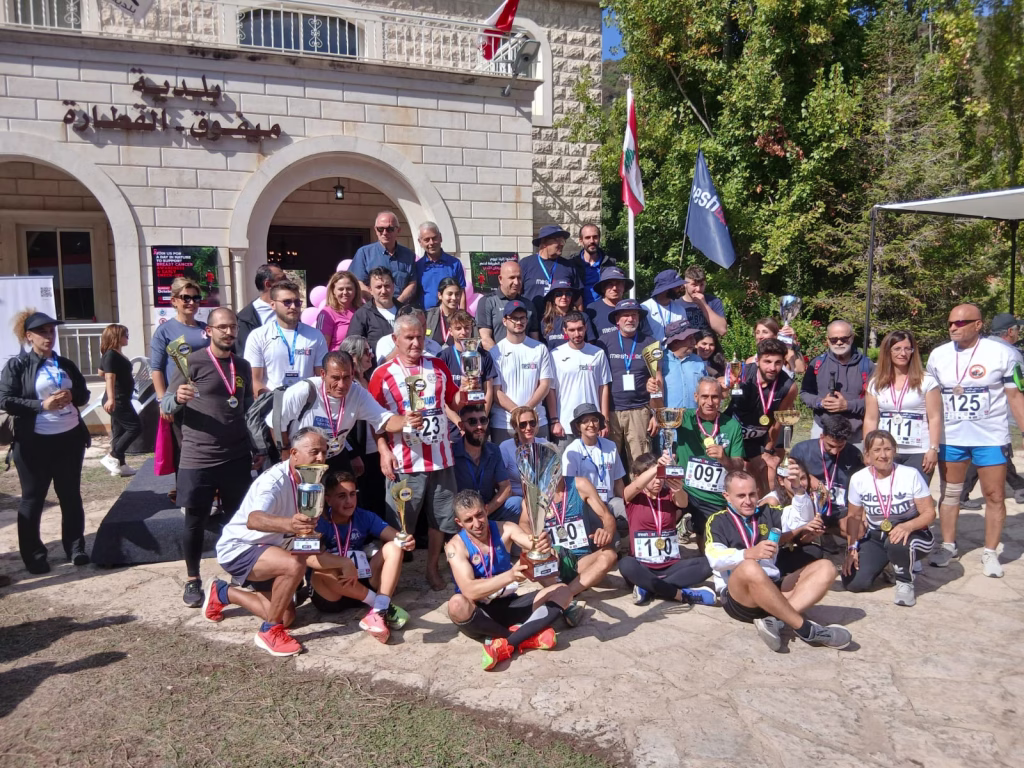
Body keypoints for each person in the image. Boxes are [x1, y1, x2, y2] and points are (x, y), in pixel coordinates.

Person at [209, 428, 346, 657]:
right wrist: (291, 525)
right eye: (314, 452)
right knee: (293, 565)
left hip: (272, 550)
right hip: (240, 548)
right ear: (294, 453)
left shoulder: (313, 479)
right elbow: (254, 520)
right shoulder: (273, 482)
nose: (321, 458)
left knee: (287, 617)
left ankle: (223, 592)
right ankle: (269, 632)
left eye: (324, 452)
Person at [161, 308, 255, 607]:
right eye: (222, 327)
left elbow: (247, 409)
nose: (228, 332)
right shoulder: (191, 361)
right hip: (199, 456)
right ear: (209, 331)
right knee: (195, 521)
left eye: (233, 327)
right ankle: (192, 579)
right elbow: (165, 404)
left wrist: (256, 447)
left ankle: (241, 574)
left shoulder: (242, 365)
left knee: (237, 520)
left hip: (236, 455)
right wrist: (177, 398)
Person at [369, 314, 467, 591]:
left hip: (441, 458)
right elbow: (373, 420)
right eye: (409, 338)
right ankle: (392, 575)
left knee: (440, 520)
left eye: (419, 337)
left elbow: (452, 403)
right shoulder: (383, 374)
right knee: (401, 524)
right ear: (395, 339)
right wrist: (383, 451)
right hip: (404, 462)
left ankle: (432, 568)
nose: (415, 343)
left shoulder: (437, 365)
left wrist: (466, 391)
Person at [925, 304, 1024, 578]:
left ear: (978, 324)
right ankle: (948, 545)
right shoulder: (938, 355)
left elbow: (1015, 397)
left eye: (960, 323)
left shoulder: (1004, 353)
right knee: (951, 494)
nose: (953, 327)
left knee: (995, 495)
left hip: (990, 437)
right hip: (952, 437)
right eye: (950, 323)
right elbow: (930, 399)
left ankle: (990, 552)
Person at [705, 470, 852, 652]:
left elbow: (802, 519)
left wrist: (798, 490)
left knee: (827, 568)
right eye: (741, 496)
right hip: (739, 597)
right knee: (749, 566)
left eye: (752, 494)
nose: (748, 501)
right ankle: (805, 629)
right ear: (727, 496)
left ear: (758, 492)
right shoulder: (717, 521)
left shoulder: (768, 513)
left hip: (773, 588)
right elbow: (715, 558)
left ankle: (776, 621)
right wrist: (749, 553)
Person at [0, 310, 91, 573]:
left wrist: (72, 395)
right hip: (34, 443)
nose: (49, 336)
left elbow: (84, 394)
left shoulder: (65, 364)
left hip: (70, 439)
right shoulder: (17, 365)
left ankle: (75, 548)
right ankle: (34, 556)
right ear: (29, 336)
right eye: (42, 332)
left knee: (70, 495)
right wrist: (42, 405)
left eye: (51, 331)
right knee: (33, 499)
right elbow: (5, 399)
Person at [444, 490, 574, 670]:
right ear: (459, 522)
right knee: (456, 605)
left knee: (563, 591)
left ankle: (507, 644)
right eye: (469, 520)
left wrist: (543, 543)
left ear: (486, 510)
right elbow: (469, 590)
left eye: (479, 515)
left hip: (510, 604)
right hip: (480, 613)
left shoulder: (506, 529)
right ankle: (525, 637)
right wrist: (510, 575)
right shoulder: (455, 546)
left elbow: (531, 542)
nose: (477, 523)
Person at [307, 471, 414, 643]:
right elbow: (309, 558)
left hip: (361, 579)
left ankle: (378, 611)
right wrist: (344, 563)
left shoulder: (364, 516)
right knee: (321, 571)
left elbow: (394, 537)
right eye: (342, 496)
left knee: (394, 547)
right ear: (328, 499)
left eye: (352, 494)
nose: (349, 501)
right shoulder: (318, 521)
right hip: (333, 593)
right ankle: (381, 606)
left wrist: (406, 541)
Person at [843, 430, 936, 606]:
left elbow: (929, 513)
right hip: (877, 535)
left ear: (894, 450)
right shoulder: (858, 479)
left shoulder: (910, 474)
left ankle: (905, 581)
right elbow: (854, 517)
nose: (883, 455)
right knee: (853, 583)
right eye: (877, 450)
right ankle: (889, 563)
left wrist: (908, 526)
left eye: (887, 449)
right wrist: (851, 548)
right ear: (867, 454)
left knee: (897, 542)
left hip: (912, 533)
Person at [273, 350, 408, 470]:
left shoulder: (358, 394)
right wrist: (285, 453)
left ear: (352, 374)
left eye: (346, 377)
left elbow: (384, 420)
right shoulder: (304, 390)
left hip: (335, 455)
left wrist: (408, 421)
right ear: (323, 374)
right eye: (335, 378)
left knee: (347, 489)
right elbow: (275, 423)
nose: (342, 385)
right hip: (305, 458)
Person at [619, 452, 716, 605]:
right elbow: (636, 486)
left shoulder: (668, 494)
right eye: (653, 477)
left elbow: (683, 503)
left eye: (661, 476)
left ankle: (648, 588)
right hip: (642, 565)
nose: (658, 481)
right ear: (637, 476)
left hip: (670, 565)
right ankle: (680, 594)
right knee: (625, 564)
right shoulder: (633, 497)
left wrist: (678, 489)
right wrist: (658, 467)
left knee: (710, 563)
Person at [150, 277, 210, 493]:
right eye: (186, 298)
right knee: (183, 448)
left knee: (207, 446)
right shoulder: (165, 331)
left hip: (207, 399)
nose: (191, 302)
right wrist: (163, 401)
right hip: (179, 399)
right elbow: (156, 368)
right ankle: (185, 493)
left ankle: (209, 493)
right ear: (174, 300)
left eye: (196, 298)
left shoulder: (206, 329)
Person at [958, 313, 1024, 508]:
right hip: (1000, 413)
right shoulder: (1010, 353)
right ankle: (1018, 487)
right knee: (995, 452)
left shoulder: (978, 348)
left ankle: (1018, 486)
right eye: (1017, 329)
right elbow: (1018, 387)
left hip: (972, 410)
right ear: (1010, 331)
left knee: (985, 452)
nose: (1018, 333)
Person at [675, 377, 745, 551]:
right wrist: (655, 392)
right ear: (696, 397)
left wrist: (724, 459)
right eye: (704, 396)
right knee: (662, 517)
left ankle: (691, 526)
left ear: (721, 398)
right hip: (684, 489)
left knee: (709, 549)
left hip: (712, 496)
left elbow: (739, 466)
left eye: (714, 397)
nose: (710, 402)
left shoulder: (732, 426)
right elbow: (659, 411)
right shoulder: (684, 417)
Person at [862, 330, 941, 481]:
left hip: (918, 452)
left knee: (916, 493)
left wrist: (933, 449)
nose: (903, 353)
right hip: (885, 451)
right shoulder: (875, 383)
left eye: (907, 349)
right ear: (888, 352)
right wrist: (868, 450)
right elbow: (870, 419)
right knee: (886, 492)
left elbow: (935, 418)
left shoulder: (927, 381)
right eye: (897, 349)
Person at [725, 339, 798, 492]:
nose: (772, 368)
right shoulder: (743, 372)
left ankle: (765, 506)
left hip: (758, 439)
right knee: (734, 473)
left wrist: (767, 451)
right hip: (732, 435)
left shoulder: (789, 387)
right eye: (767, 361)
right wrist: (725, 386)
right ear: (757, 360)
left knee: (767, 473)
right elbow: (720, 387)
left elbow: (778, 422)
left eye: (778, 363)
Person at [598, 298, 661, 467]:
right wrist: (602, 416)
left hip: (639, 410)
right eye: (625, 315)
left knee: (641, 463)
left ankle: (640, 487)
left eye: (634, 315)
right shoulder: (603, 342)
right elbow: (598, 380)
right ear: (617, 320)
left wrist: (656, 414)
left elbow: (658, 379)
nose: (630, 319)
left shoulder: (651, 343)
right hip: (611, 411)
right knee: (608, 463)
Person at [799, 319, 875, 447]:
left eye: (844, 339)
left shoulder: (867, 366)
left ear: (852, 337)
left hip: (855, 435)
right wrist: (820, 402)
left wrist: (848, 405)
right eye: (834, 339)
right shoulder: (817, 363)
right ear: (828, 340)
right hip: (822, 431)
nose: (839, 342)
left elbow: (876, 402)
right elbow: (805, 393)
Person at [789, 413, 865, 539]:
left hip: (840, 510)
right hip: (810, 507)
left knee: (859, 532)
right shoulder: (802, 450)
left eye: (840, 446)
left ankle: (827, 530)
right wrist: (809, 478)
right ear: (822, 436)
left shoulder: (854, 454)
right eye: (831, 445)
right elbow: (788, 477)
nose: (835, 451)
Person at [244, 281, 328, 394]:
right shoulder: (258, 336)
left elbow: (321, 377)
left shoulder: (315, 336)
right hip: (273, 402)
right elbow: (254, 380)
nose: (293, 307)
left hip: (307, 402)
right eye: (287, 302)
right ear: (273, 305)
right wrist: (273, 402)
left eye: (297, 302)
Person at [490, 300, 555, 443]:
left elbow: (545, 385)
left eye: (522, 318)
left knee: (541, 458)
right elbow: (495, 391)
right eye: (514, 318)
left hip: (536, 422)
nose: (519, 322)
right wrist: (517, 413)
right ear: (505, 321)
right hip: (504, 423)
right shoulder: (495, 352)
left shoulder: (540, 349)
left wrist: (527, 412)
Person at [546, 311, 611, 446]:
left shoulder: (598, 353)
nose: (577, 334)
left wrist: (604, 420)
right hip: (565, 424)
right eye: (572, 330)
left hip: (593, 424)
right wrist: (554, 420)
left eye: (580, 329)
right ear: (565, 331)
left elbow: (603, 387)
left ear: (585, 328)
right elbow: (550, 389)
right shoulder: (555, 355)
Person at [339, 335, 386, 512]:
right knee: (363, 498)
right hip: (359, 452)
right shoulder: (346, 386)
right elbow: (341, 424)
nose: (371, 355)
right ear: (353, 356)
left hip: (376, 449)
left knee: (378, 497)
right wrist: (353, 454)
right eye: (367, 351)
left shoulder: (370, 378)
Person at [561, 404, 627, 528]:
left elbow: (618, 481)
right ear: (578, 426)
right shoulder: (572, 451)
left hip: (611, 501)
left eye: (594, 420)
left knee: (630, 512)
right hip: (587, 504)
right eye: (585, 421)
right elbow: (570, 488)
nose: (591, 424)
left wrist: (627, 503)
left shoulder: (611, 446)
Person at [453, 402, 520, 522]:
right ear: (462, 426)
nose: (479, 426)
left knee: (517, 503)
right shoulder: (452, 453)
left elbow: (505, 487)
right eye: (472, 422)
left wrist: (486, 511)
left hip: (488, 509)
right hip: (463, 515)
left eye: (483, 420)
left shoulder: (494, 450)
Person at [438, 310, 498, 422]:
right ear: (450, 331)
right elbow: (441, 396)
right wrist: (458, 422)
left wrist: (482, 420)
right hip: (453, 423)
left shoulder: (484, 355)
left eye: (467, 328)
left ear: (471, 329)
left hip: (478, 419)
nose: (463, 332)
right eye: (458, 328)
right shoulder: (443, 357)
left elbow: (489, 391)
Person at [98, 323, 141, 478]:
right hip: (117, 399)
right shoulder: (111, 355)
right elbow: (108, 376)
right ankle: (113, 456)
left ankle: (120, 465)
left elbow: (100, 372)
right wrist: (111, 398)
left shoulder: (114, 354)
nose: (127, 337)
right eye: (125, 334)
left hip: (122, 398)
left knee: (119, 431)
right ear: (116, 337)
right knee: (135, 427)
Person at [351, 211, 417, 304]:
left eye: (390, 229)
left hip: (401, 308)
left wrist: (396, 304)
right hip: (373, 308)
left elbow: (412, 283)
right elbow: (358, 282)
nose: (385, 233)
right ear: (375, 230)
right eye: (380, 229)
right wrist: (377, 303)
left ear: (398, 230)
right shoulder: (364, 253)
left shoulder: (409, 255)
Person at [476, 260, 540, 350]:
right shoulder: (487, 302)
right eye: (512, 278)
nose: (516, 282)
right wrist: (500, 357)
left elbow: (534, 339)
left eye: (519, 278)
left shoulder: (529, 305)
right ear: (500, 279)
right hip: (498, 356)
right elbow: (485, 339)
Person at [519, 224, 580, 315]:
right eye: (558, 240)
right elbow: (517, 293)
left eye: (563, 240)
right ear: (544, 242)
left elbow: (578, 299)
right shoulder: (525, 264)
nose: (562, 244)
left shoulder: (568, 266)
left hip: (561, 321)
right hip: (532, 321)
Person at [349, 267, 403, 357]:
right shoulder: (362, 315)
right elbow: (353, 348)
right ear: (370, 290)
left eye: (387, 286)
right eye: (379, 287)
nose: (383, 291)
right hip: (375, 365)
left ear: (393, 287)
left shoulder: (406, 311)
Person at [498, 406, 551, 498]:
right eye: (523, 424)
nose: (529, 428)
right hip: (516, 496)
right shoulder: (505, 447)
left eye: (532, 423)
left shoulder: (544, 444)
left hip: (541, 497)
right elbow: (498, 481)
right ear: (515, 427)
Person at [414, 221, 466, 311]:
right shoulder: (417, 266)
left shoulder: (454, 263)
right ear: (420, 242)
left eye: (434, 238)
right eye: (427, 240)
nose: (431, 243)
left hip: (451, 315)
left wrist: (462, 314)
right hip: (425, 316)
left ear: (440, 238)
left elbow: (462, 293)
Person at [236, 263, 285, 355]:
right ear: (268, 284)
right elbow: (244, 354)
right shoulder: (245, 319)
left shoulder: (291, 309)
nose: (287, 282)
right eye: (282, 279)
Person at [585, 265, 640, 340]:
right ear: (603, 288)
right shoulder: (592, 310)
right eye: (610, 284)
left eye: (618, 283)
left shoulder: (634, 307)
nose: (614, 288)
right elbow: (589, 341)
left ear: (624, 287)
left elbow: (645, 336)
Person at [661, 319, 705, 413]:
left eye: (693, 338)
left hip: (694, 418)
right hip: (669, 418)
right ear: (676, 341)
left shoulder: (698, 361)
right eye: (689, 338)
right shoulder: (660, 361)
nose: (694, 342)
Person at [375, 305, 443, 364]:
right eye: (416, 326)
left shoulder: (435, 346)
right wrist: (399, 346)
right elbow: (382, 367)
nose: (421, 330)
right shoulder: (386, 342)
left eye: (423, 325)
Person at [315, 270, 362, 352]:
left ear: (356, 290)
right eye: (341, 289)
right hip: (338, 358)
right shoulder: (326, 314)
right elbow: (321, 349)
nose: (345, 292)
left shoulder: (363, 310)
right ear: (333, 291)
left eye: (349, 288)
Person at [571, 223, 613, 305]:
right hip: (578, 310)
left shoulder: (609, 263)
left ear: (599, 239)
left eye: (595, 237)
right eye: (587, 238)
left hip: (602, 309)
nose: (592, 241)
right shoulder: (572, 264)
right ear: (581, 241)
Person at [679, 265, 727, 336]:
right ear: (685, 284)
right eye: (694, 285)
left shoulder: (713, 301)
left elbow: (722, 330)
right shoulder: (676, 304)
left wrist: (704, 305)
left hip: (708, 343)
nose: (698, 289)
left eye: (702, 285)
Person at [641, 269, 687, 341]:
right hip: (651, 347)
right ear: (666, 289)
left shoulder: (680, 309)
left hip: (675, 348)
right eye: (677, 286)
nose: (680, 289)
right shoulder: (645, 308)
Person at [539, 278, 579, 350]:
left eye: (568, 293)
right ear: (552, 297)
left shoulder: (581, 318)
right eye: (559, 294)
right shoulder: (546, 321)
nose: (564, 297)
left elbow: (589, 345)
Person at [424, 277, 463, 347]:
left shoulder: (465, 319)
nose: (454, 298)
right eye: (450, 294)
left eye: (457, 294)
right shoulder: (427, 317)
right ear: (440, 295)